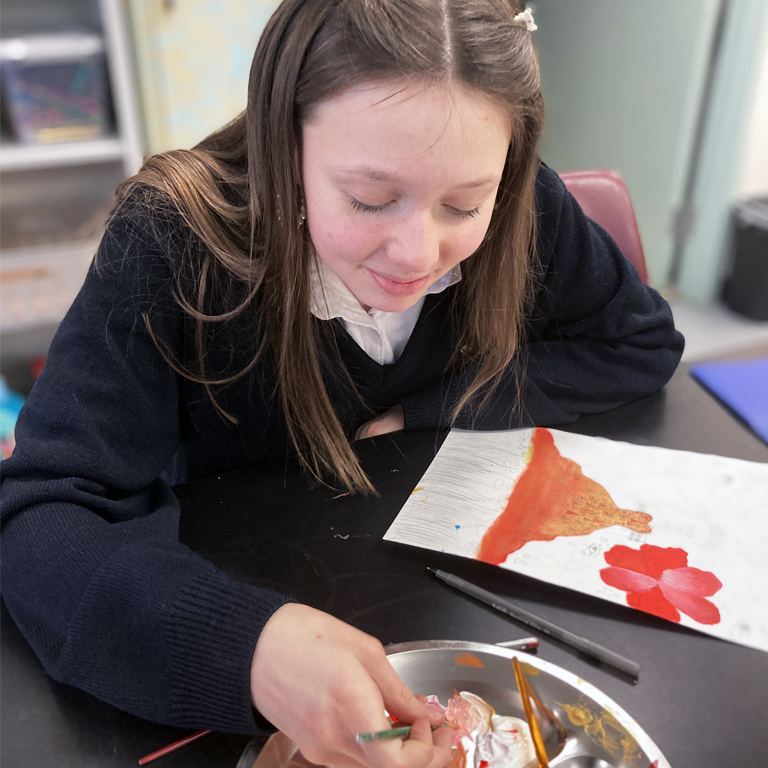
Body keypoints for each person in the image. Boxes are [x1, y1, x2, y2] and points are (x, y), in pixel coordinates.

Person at [0, 2, 684, 767]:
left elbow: (639, 341)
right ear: (281, 140)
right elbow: (38, 517)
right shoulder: (170, 245)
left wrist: (425, 411)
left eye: (463, 204)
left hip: (423, 582)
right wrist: (248, 648)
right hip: (208, 606)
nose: (417, 253)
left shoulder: (528, 210)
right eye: (368, 199)